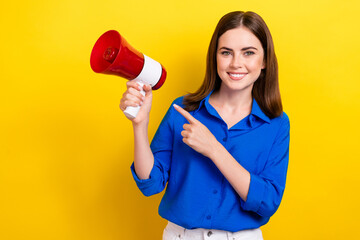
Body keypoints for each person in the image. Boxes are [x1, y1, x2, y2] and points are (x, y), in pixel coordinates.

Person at [119, 11, 290, 240]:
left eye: (248, 53)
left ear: (265, 60)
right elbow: (151, 183)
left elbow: (268, 201)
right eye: (226, 53)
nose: (236, 63)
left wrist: (214, 148)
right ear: (215, 57)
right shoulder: (183, 110)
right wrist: (139, 125)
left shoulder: (276, 123)